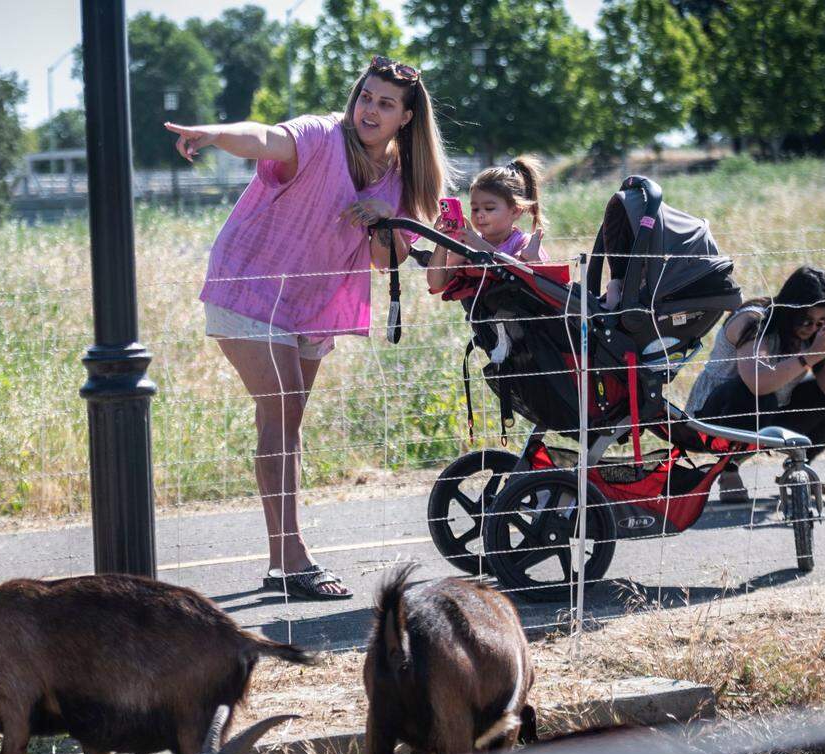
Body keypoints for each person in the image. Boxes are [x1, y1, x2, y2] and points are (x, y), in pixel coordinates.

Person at [163, 56, 451, 599]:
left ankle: (282, 563)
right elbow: (266, 138)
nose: (371, 108)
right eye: (367, 96)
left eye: (386, 103)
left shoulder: (401, 178)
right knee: (284, 405)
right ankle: (292, 559)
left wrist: (378, 221)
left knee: (287, 422)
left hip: (313, 301)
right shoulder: (321, 135)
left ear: (406, 118)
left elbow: (387, 261)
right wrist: (214, 134)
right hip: (249, 284)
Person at [686, 265, 825, 502]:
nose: (812, 328)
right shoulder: (754, 320)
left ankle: (798, 469)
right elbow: (756, 384)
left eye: (821, 321)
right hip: (714, 416)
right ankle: (728, 468)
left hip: (770, 411)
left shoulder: (817, 333)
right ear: (790, 310)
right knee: (758, 393)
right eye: (806, 320)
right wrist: (808, 356)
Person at [424, 157, 548, 297]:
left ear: (515, 211)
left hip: (524, 315)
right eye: (475, 209)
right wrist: (442, 243)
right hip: (484, 316)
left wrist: (479, 245)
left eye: (489, 208)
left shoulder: (525, 244)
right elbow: (436, 283)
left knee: (528, 264)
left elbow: (537, 285)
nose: (480, 215)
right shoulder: (468, 245)